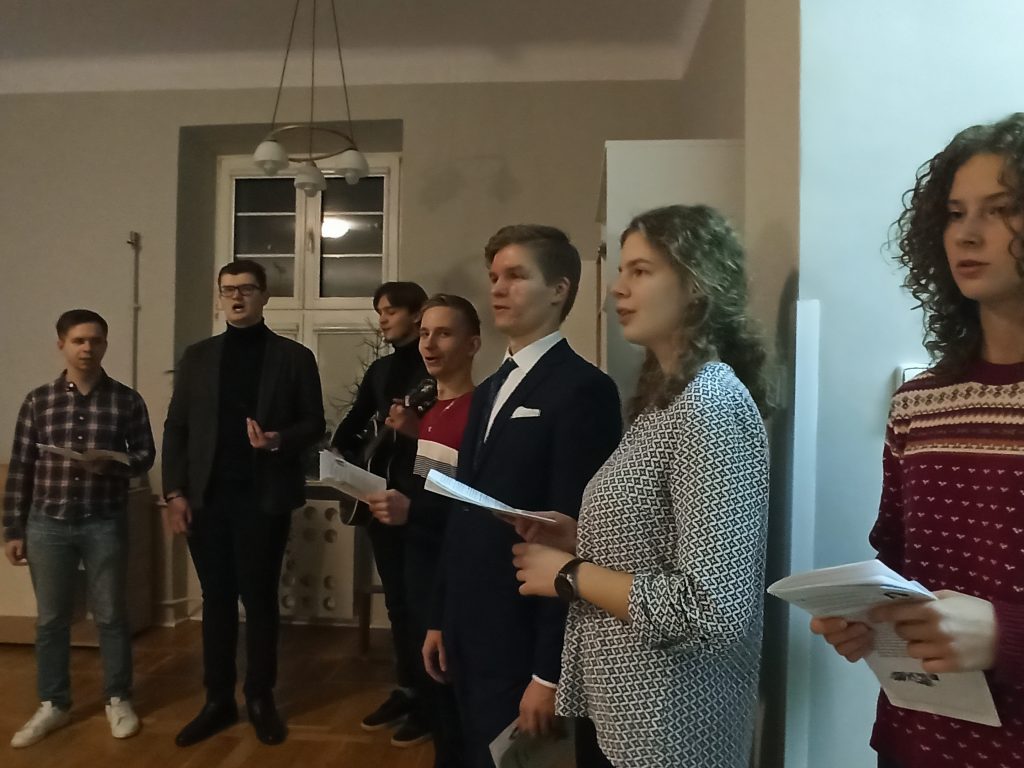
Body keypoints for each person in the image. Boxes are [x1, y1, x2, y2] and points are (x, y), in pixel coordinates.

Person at [512, 205, 771, 768]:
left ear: (696, 285)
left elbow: (712, 609)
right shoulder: (667, 399)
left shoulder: (709, 406)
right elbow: (658, 542)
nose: (618, 288)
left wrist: (568, 574)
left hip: (670, 729)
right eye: (621, 271)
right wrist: (580, 537)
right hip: (627, 712)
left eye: (641, 271)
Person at [810, 114, 1024, 768]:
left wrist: (1005, 633)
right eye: (955, 214)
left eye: (1001, 210)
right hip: (916, 739)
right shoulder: (919, 403)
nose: (968, 232)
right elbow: (900, 563)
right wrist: (866, 616)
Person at [426, 225, 622, 767]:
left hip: (522, 634)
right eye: (494, 277)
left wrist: (549, 672)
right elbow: (463, 510)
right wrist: (441, 616)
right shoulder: (490, 387)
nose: (498, 288)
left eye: (515, 276)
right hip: (469, 625)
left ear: (558, 289)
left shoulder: (584, 389)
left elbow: (575, 535)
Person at [162, 259, 325, 747]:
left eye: (247, 289)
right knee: (215, 600)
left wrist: (277, 440)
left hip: (263, 499)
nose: (236, 297)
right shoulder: (197, 357)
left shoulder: (293, 357)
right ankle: (217, 700)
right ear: (220, 297)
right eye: (228, 289)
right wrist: (174, 492)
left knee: (259, 600)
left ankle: (259, 696)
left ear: (264, 296)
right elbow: (177, 428)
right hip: (207, 499)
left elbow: (314, 423)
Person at [3, 309, 155, 747]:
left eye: (96, 340)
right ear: (62, 345)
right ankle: (54, 703)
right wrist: (12, 529)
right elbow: (22, 466)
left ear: (105, 344)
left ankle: (118, 698)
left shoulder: (126, 400)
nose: (88, 348)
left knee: (110, 616)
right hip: (46, 523)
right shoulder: (39, 401)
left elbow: (144, 455)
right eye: (79, 341)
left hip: (103, 520)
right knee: (52, 620)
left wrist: (113, 462)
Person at [367, 293, 481, 765]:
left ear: (472, 344)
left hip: (454, 576)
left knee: (458, 704)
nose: (429, 344)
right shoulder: (429, 413)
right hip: (420, 566)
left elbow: (473, 506)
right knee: (436, 697)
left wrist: (413, 511)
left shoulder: (480, 412)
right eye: (426, 333)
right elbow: (437, 485)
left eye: (444, 333)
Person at [331, 281, 432, 745]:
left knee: (421, 603)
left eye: (390, 311)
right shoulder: (381, 369)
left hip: (420, 500)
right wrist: (339, 451)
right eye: (380, 312)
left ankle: (432, 701)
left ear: (417, 313)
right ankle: (408, 688)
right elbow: (356, 418)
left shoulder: (432, 368)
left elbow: (443, 441)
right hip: (377, 498)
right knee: (396, 602)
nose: (383, 320)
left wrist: (412, 430)